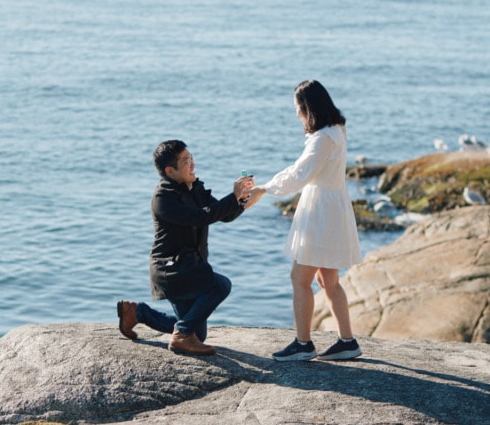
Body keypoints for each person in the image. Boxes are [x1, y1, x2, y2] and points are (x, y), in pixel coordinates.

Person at [248, 80, 363, 362]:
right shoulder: (337, 130)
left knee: (299, 278)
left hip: (321, 212)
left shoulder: (323, 138)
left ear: (307, 108)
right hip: (333, 207)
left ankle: (303, 343)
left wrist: (264, 188)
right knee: (329, 281)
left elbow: (300, 174)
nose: (297, 115)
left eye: (298, 109)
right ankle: (347, 342)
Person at [117, 140, 253, 357]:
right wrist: (232, 197)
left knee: (197, 333)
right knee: (220, 285)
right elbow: (199, 218)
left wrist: (241, 199)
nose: (193, 164)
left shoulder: (195, 188)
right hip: (172, 270)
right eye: (186, 161)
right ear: (170, 171)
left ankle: (137, 312)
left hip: (192, 266)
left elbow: (224, 215)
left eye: (192, 158)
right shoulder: (163, 197)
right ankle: (181, 334)